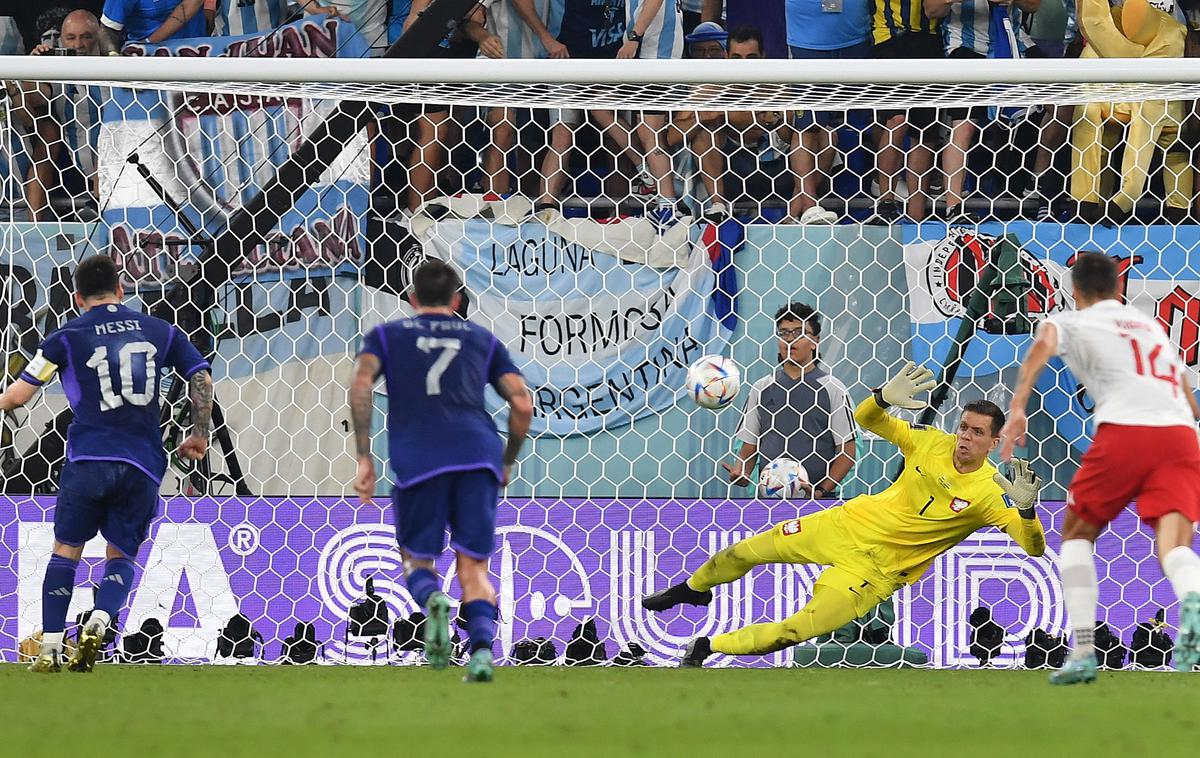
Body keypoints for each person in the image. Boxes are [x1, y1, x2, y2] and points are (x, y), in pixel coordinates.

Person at [644, 361, 1046, 666]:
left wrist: (1027, 511)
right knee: (746, 551)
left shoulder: (992, 494)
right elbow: (868, 419)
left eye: (977, 433)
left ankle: (703, 648)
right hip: (844, 524)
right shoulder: (930, 443)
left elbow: (1033, 548)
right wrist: (883, 398)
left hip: (874, 572)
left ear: (994, 443)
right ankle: (694, 589)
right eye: (963, 427)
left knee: (794, 630)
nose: (965, 438)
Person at [1, 255, 213, 673]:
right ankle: (100, 619)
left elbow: (18, 397)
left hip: (90, 456)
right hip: (143, 463)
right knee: (121, 555)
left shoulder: (65, 337)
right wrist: (200, 433)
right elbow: (201, 377)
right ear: (121, 290)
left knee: (67, 550)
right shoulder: (160, 330)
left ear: (78, 298)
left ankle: (50, 647)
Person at [1000, 252, 1200, 683]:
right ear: (1117, 287)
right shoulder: (1151, 329)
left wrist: (1018, 406)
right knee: (1175, 545)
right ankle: (1192, 601)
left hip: (1127, 430)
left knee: (1076, 534)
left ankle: (1085, 649)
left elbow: (1042, 347)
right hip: (1181, 436)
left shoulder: (1071, 320)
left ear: (1075, 291)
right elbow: (1190, 399)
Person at [349, 259, 532, 683]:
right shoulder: (480, 339)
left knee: (417, 561)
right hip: (478, 455)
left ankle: (433, 601)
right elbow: (522, 404)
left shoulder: (387, 336)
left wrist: (364, 456)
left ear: (412, 299)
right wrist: (506, 461)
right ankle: (482, 652)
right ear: (457, 300)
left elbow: (360, 387)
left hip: (419, 459)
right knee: (474, 568)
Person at [722, 302, 855, 498]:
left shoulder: (833, 389)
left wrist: (820, 492)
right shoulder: (761, 387)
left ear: (815, 341)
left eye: (798, 333)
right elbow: (750, 445)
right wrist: (743, 472)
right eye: (784, 333)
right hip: (769, 503)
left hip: (817, 505)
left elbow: (847, 451)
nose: (790, 339)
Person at [12, 9, 106, 222]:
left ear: (99, 35)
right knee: (48, 134)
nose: (78, 45)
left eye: (86, 36)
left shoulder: (121, 70)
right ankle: (34, 227)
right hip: (74, 165)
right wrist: (34, 68)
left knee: (112, 131)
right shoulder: (57, 72)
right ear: (61, 40)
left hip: (115, 164)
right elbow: (33, 100)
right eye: (70, 38)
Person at [101, 0, 206, 46]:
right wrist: (115, 59)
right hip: (148, 65)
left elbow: (193, 3)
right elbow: (108, 29)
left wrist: (149, 42)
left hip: (196, 56)